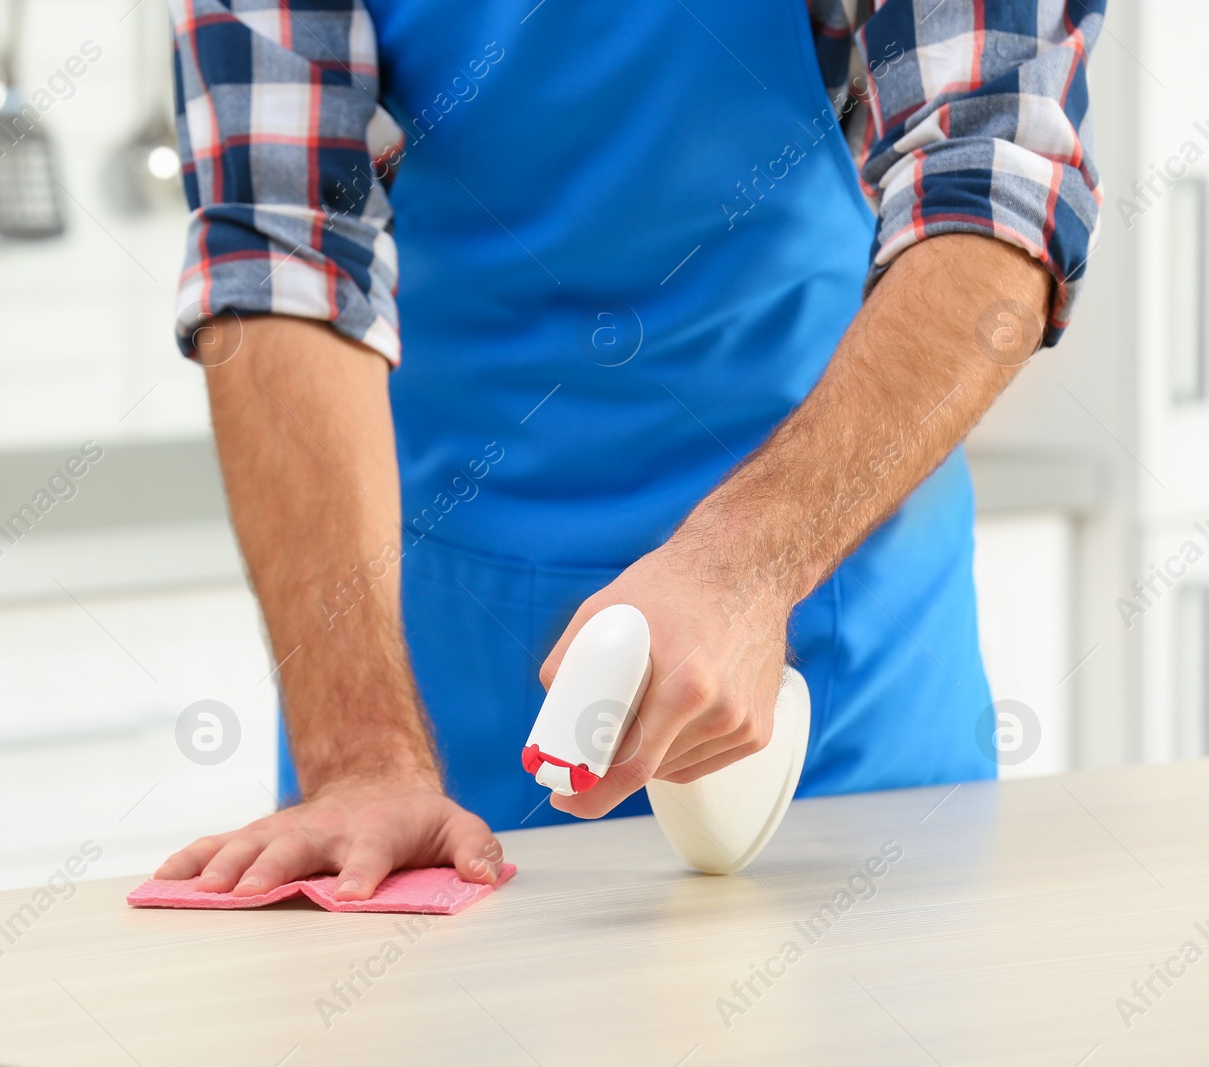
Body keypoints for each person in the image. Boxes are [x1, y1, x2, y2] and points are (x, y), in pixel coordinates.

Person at [154, 0, 1104, 900]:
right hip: (437, 656)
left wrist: (750, 563)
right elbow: (282, 247)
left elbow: (996, 172)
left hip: (832, 634)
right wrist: (361, 759)